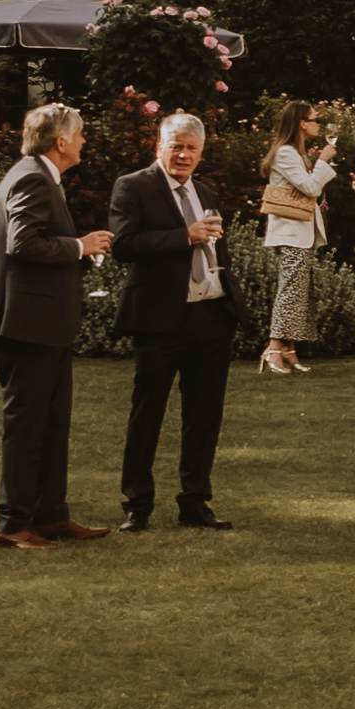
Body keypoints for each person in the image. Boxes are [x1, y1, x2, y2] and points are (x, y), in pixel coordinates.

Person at [0, 100, 111, 548]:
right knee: (29, 426)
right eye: (82, 133)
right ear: (61, 141)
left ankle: (51, 515)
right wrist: (79, 246)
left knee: (52, 423)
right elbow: (23, 244)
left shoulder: (35, 175)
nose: (85, 140)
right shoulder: (33, 178)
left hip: (42, 324)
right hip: (27, 325)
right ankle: (14, 524)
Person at [107, 108, 238, 534]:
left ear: (201, 152)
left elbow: (217, 247)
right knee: (148, 412)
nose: (183, 155)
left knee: (204, 416)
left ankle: (195, 501)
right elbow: (124, 245)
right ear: (158, 147)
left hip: (210, 317)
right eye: (176, 147)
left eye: (192, 149)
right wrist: (185, 236)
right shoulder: (133, 187)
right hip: (160, 319)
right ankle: (137, 504)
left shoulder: (207, 191)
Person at [256, 102, 331, 374]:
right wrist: (323, 161)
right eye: (315, 119)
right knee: (290, 291)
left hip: (300, 232)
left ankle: (288, 348)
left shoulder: (294, 153)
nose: (318, 124)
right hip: (291, 234)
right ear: (301, 122)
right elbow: (310, 186)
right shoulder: (286, 153)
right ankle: (274, 347)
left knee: (299, 292)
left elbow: (304, 191)